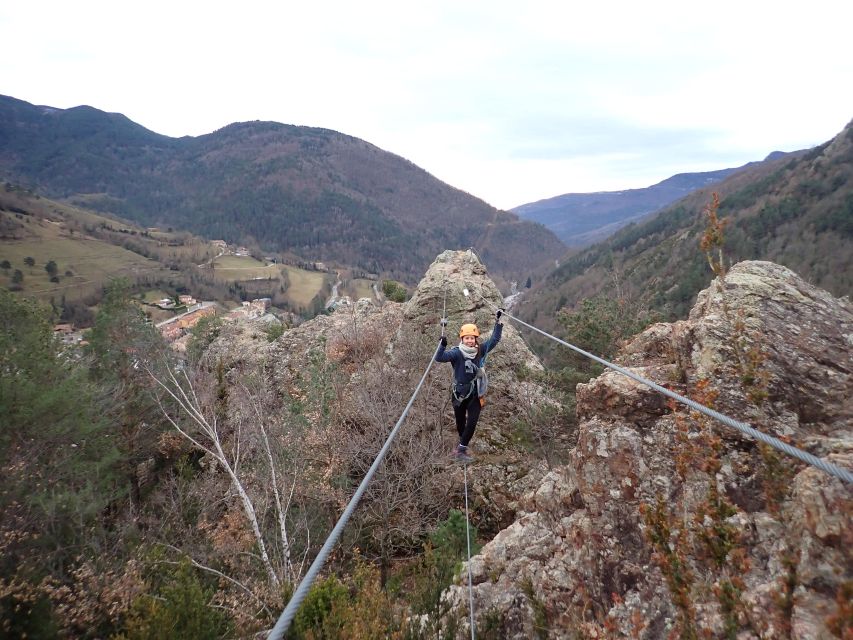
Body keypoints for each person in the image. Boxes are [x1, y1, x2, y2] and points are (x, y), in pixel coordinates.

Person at [436, 310, 503, 462]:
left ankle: (461, 449)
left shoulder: (480, 350)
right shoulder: (456, 353)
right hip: (459, 393)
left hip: (475, 394)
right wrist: (442, 345)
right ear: (462, 339)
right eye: (467, 338)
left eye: (472, 338)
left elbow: (494, 339)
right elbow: (439, 358)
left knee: (472, 422)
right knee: (461, 423)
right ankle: (461, 444)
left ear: (475, 339)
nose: (470, 341)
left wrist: (498, 322)